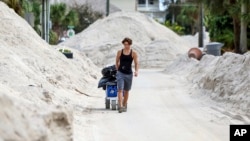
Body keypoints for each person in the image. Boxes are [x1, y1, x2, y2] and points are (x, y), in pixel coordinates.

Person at [116, 37, 139, 113]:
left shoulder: (133, 53)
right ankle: (120, 106)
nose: (126, 46)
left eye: (128, 44)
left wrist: (136, 71)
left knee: (126, 91)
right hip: (120, 73)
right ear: (123, 44)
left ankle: (124, 104)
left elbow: (136, 63)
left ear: (130, 44)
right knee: (120, 90)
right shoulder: (120, 52)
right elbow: (116, 61)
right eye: (125, 44)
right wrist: (117, 69)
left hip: (129, 74)